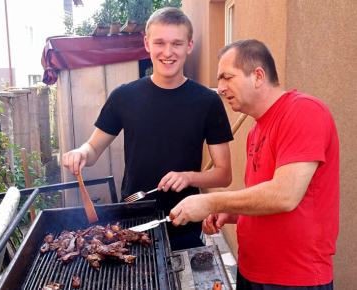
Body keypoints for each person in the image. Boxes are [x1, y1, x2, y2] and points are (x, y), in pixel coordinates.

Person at [170, 39, 338, 289]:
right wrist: (229, 213)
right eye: (219, 80)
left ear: (258, 76)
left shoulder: (303, 111)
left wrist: (211, 201)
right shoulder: (255, 131)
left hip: (294, 278)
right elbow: (263, 200)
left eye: (227, 77)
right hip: (252, 271)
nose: (220, 88)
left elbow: (284, 195)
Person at [62, 7, 234, 251]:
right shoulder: (124, 96)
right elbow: (92, 149)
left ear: (189, 45)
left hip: (184, 222)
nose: (167, 52)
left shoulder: (208, 101)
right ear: (147, 44)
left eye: (176, 43)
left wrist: (189, 177)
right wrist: (80, 153)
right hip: (133, 222)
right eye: (159, 42)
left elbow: (224, 174)